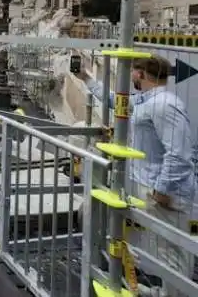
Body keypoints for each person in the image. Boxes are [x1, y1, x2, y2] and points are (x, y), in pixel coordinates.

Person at [79, 55, 195, 296]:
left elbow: (180, 154)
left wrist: (162, 190)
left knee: (174, 256)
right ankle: (165, 293)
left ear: (141, 74)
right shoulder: (147, 101)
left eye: (133, 71)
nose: (130, 75)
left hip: (169, 196)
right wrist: (86, 78)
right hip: (156, 191)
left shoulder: (164, 104)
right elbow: (116, 101)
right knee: (163, 252)